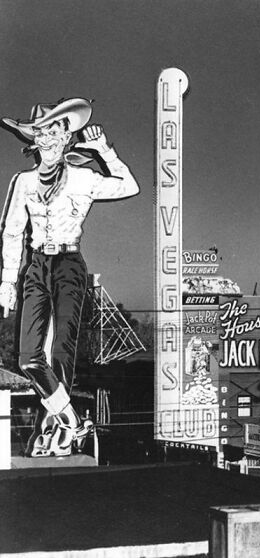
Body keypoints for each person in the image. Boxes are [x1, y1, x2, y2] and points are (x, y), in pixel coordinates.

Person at [0, 98, 139, 457]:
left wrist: (104, 150)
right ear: (33, 140)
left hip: (69, 265)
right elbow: (12, 232)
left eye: (55, 131)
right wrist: (6, 281)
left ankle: (55, 434)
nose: (47, 138)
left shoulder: (82, 178)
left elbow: (129, 186)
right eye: (41, 132)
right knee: (29, 357)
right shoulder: (23, 182)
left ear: (66, 138)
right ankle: (73, 422)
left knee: (61, 351)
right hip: (35, 266)